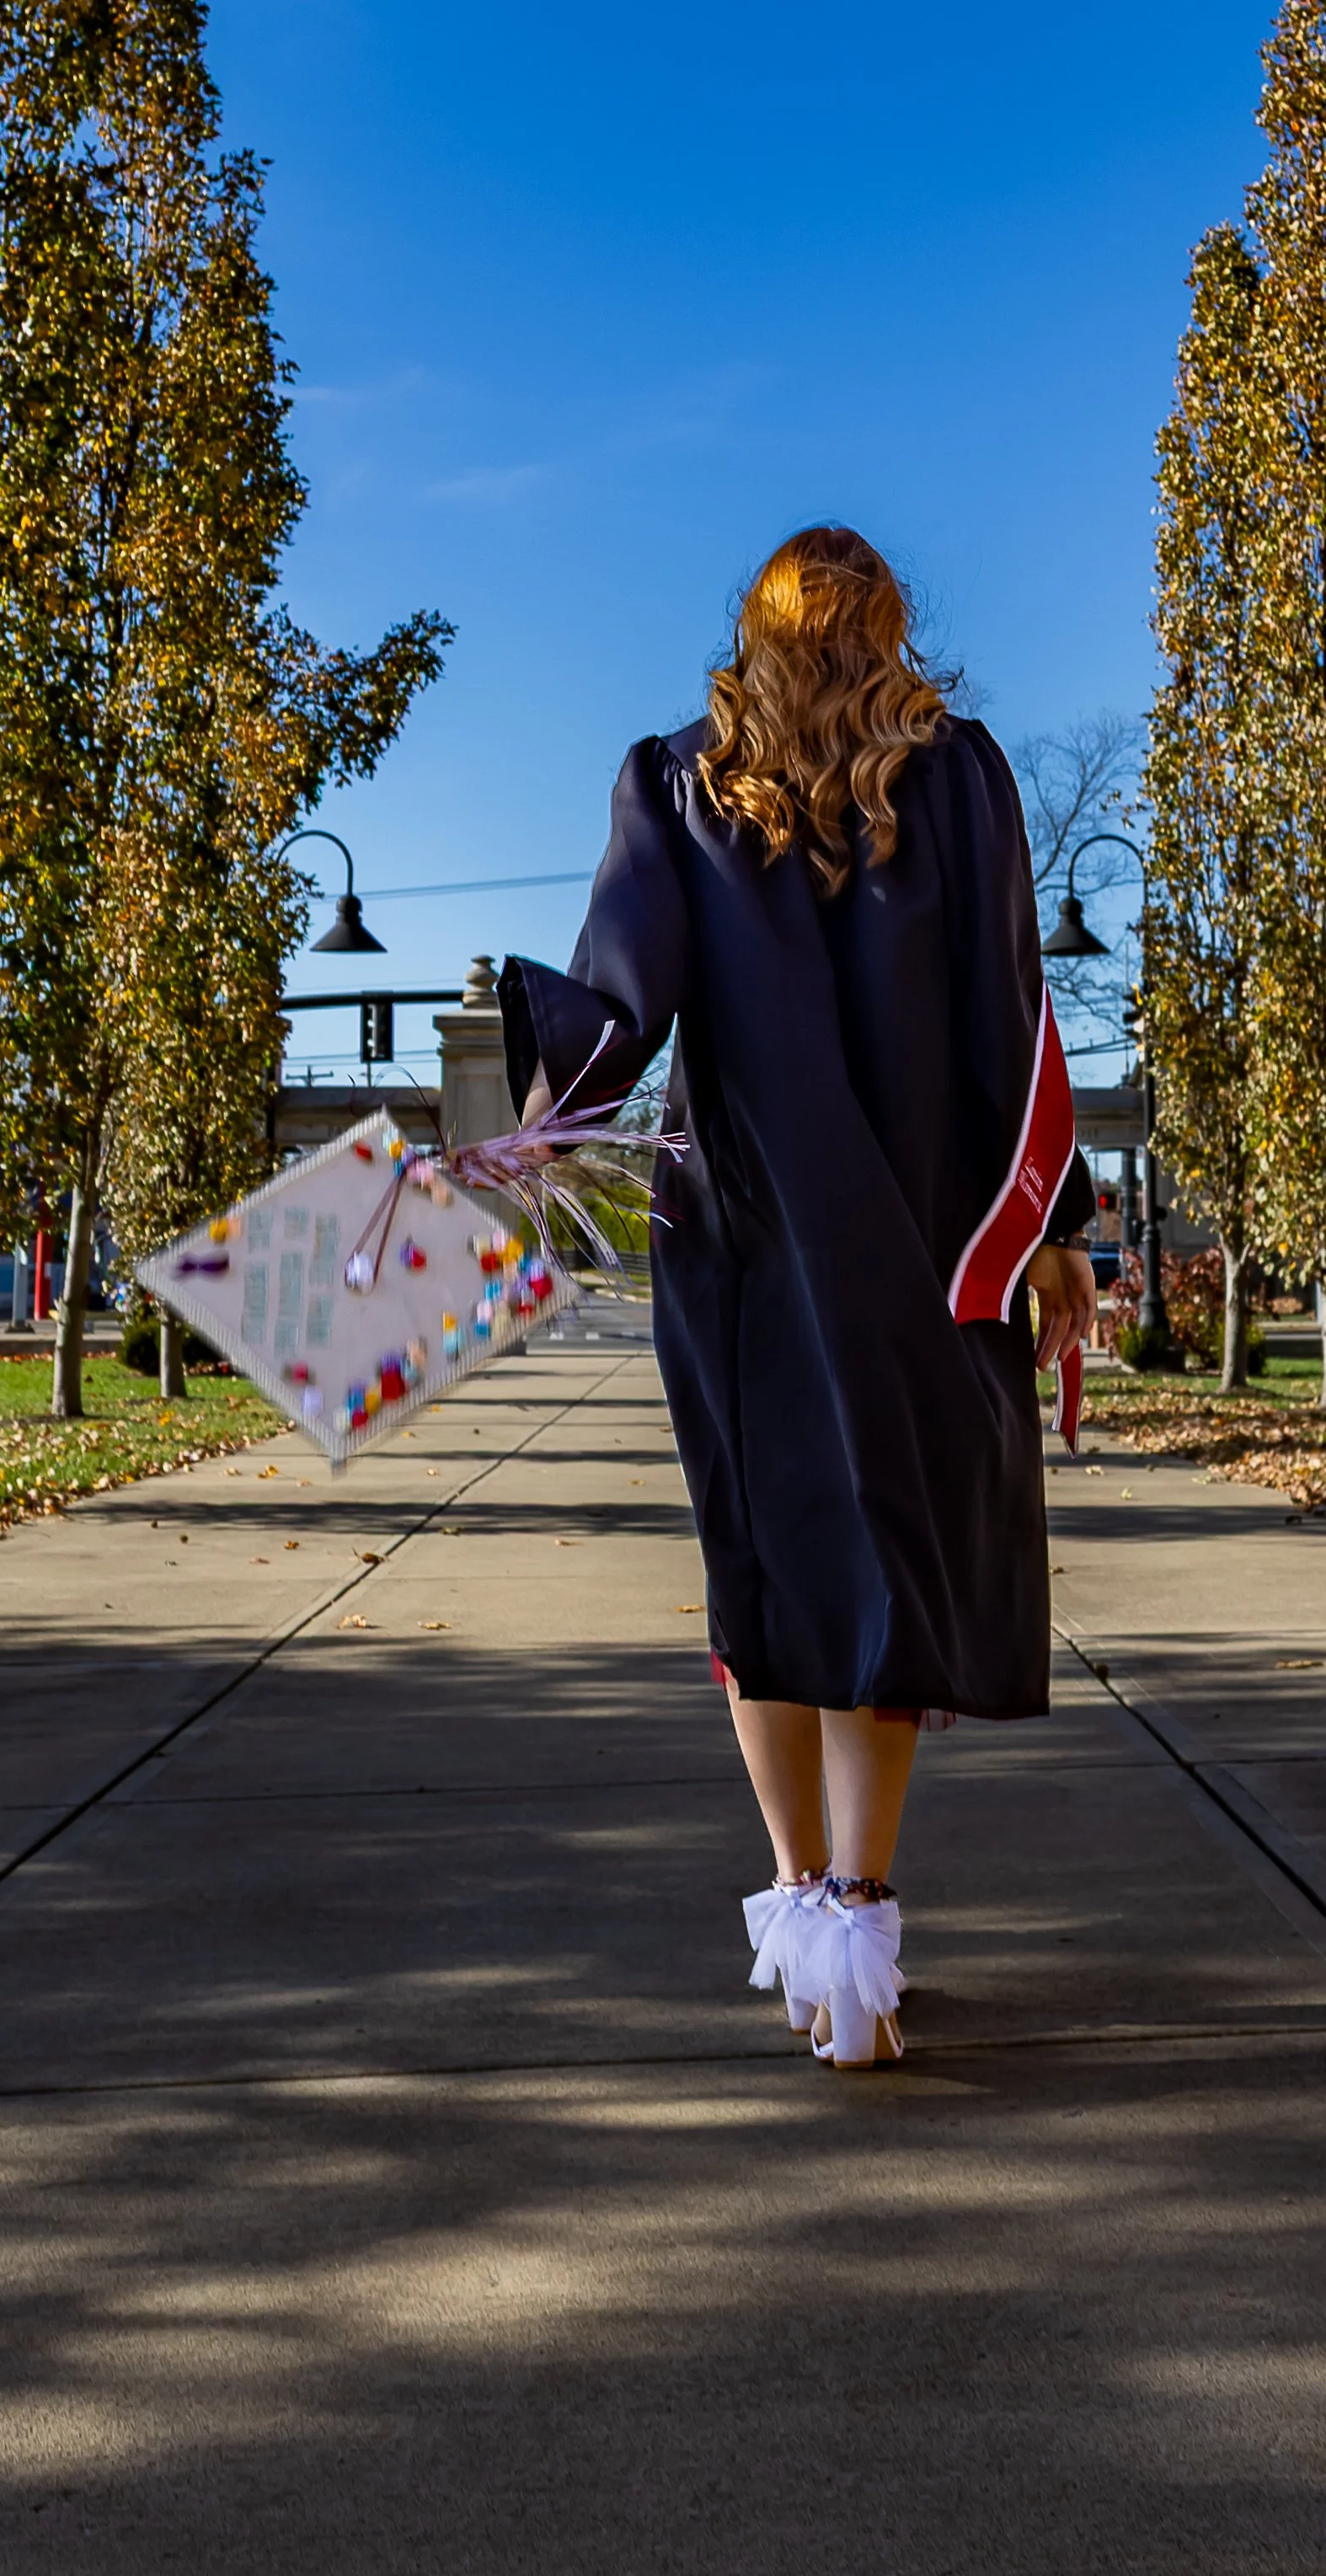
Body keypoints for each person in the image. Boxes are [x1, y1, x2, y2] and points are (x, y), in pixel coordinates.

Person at [500, 526, 1097, 2065]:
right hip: (917, 1238)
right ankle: (859, 1926)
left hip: (748, 1245)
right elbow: (1007, 1017)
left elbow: (616, 1015)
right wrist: (1052, 1229)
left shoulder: (678, 784)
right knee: (881, 1576)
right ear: (889, 630)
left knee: (763, 1577)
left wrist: (516, 1134)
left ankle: (800, 1919)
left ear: (751, 636)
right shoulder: (954, 778)